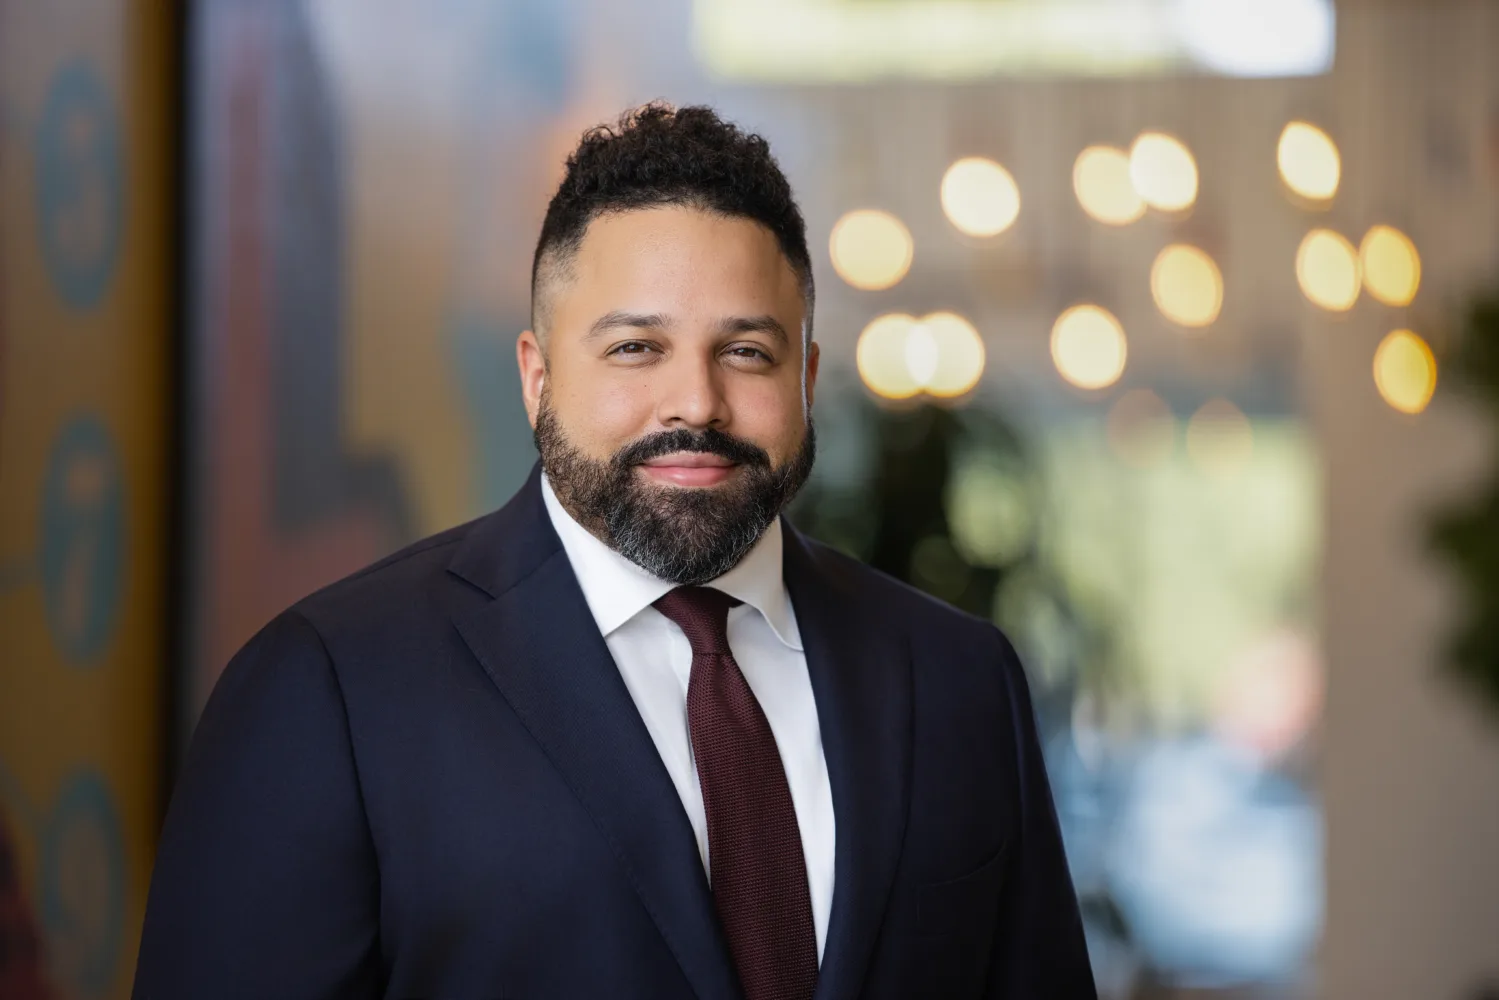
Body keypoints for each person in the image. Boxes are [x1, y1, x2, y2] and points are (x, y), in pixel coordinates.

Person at [134, 103, 1096, 1000]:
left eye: (746, 352)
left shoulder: (959, 679)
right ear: (537, 377)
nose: (696, 403)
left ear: (805, 379)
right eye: (636, 347)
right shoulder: (328, 687)